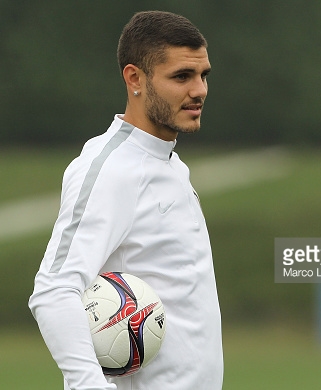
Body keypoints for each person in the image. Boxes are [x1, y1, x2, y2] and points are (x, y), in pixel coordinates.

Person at [28, 11, 223, 390]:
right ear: (134, 78)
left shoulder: (171, 164)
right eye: (181, 76)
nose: (198, 90)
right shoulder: (112, 169)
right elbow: (53, 290)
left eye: (203, 75)